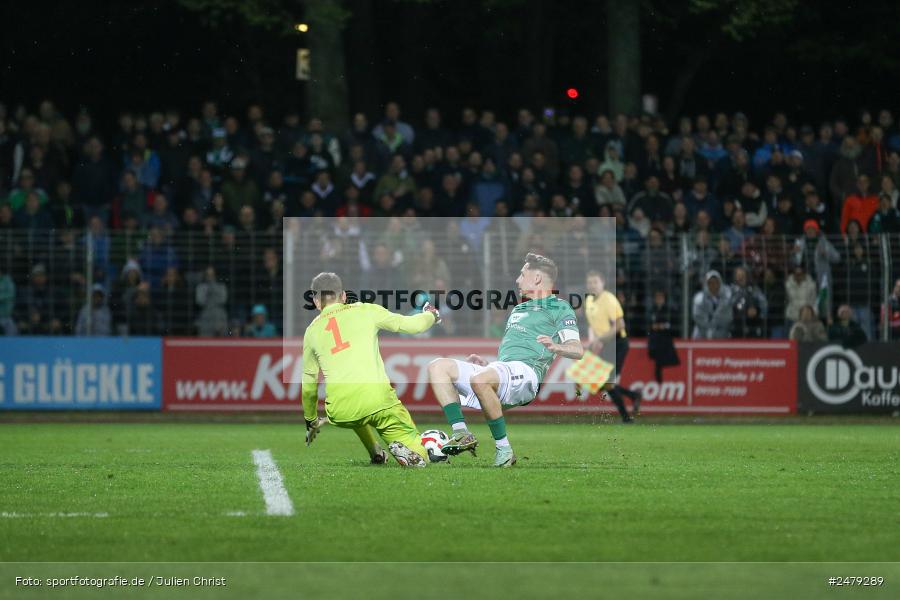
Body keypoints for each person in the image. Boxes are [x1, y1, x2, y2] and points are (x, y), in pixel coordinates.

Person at [427, 253, 583, 467]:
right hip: (504, 370)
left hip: (528, 374)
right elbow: (509, 359)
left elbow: (577, 349)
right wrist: (487, 366)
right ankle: (460, 433)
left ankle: (504, 450)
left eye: (522, 274)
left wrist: (557, 347)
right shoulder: (519, 308)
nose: (518, 280)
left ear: (537, 278)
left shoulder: (559, 307)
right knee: (438, 366)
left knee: (481, 380)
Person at [302, 272, 441, 468]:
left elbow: (308, 386)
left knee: (357, 412)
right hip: (378, 401)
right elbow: (412, 326)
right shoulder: (366, 310)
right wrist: (431, 315)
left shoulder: (311, 331)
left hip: (340, 411)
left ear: (316, 301)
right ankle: (410, 452)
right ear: (343, 296)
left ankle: (375, 451)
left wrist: (311, 420)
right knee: (421, 454)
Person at [584, 270, 641, 422]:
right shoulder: (589, 301)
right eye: (590, 282)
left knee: (606, 383)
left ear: (602, 283)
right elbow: (592, 326)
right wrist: (593, 341)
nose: (592, 285)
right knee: (600, 384)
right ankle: (633, 396)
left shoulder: (609, 299)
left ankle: (626, 417)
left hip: (618, 343)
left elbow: (620, 324)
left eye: (595, 282)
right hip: (606, 344)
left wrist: (599, 339)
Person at [692, 270, 733, 339]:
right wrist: (712, 324)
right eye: (710, 283)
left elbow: (728, 318)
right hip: (701, 335)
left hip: (722, 335)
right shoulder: (699, 299)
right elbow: (698, 318)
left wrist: (713, 321)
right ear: (706, 284)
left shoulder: (727, 298)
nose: (713, 285)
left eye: (716, 282)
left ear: (720, 283)